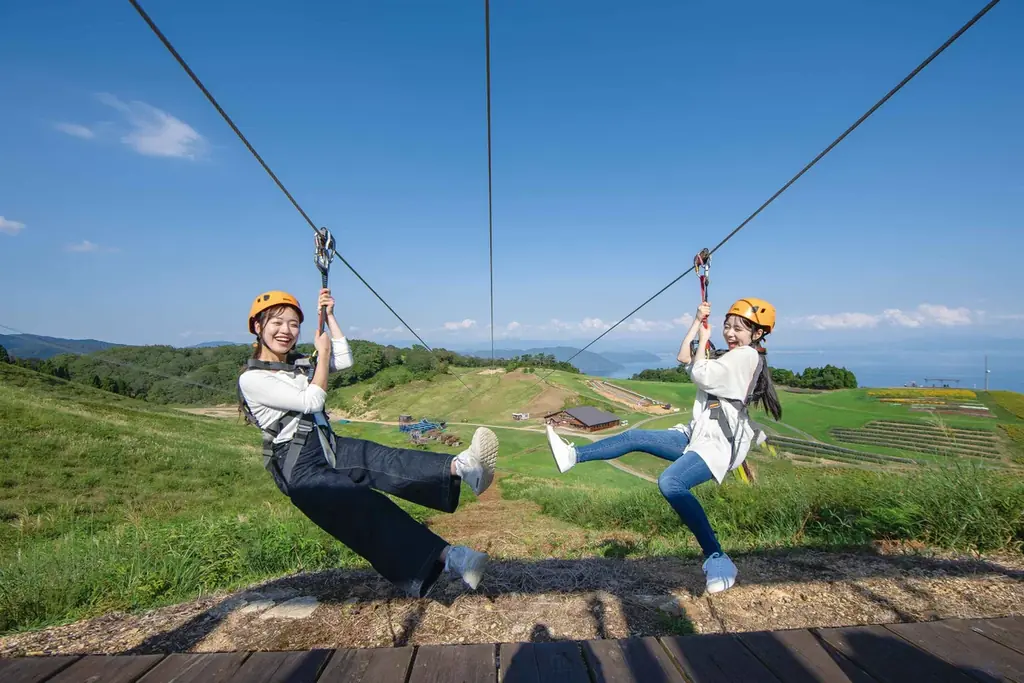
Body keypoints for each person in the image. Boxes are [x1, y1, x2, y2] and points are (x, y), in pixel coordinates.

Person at [237, 288, 499, 598]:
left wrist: (331, 319)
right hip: (299, 467)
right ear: (257, 327)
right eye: (277, 323)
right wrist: (320, 355)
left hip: (324, 444)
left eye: (293, 324)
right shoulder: (252, 379)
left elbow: (344, 360)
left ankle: (464, 468)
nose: (286, 331)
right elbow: (312, 399)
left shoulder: (297, 366)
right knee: (367, 508)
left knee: (385, 459)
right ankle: (455, 558)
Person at [544, 298, 782, 594]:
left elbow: (698, 372)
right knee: (635, 437)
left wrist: (704, 339)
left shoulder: (746, 356)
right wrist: (697, 322)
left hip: (719, 443)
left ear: (757, 334)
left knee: (671, 482)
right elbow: (685, 357)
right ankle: (573, 455)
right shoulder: (728, 356)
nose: (730, 333)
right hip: (699, 433)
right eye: (727, 326)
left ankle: (717, 557)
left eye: (739, 328)